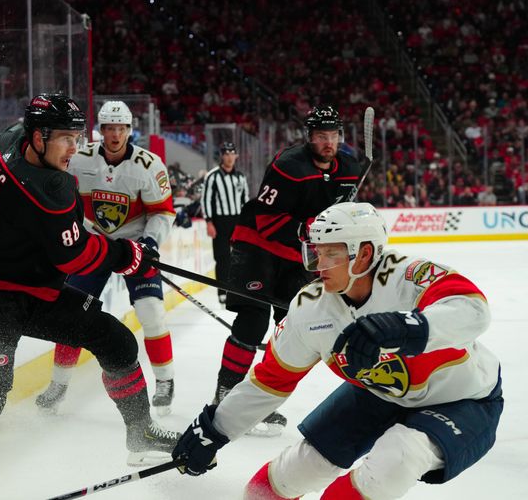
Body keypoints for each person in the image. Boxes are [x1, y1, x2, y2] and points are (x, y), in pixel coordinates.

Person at [0, 94, 180, 500]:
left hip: (28, 289)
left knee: (116, 340)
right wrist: (126, 255)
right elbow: (73, 256)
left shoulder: (11, 139)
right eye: (65, 139)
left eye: (77, 137)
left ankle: (139, 430)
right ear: (39, 137)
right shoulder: (47, 188)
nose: (74, 149)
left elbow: (46, 229)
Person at [172, 202, 504, 500]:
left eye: (332, 253)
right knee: (292, 474)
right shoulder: (310, 310)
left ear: (364, 254)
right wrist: (215, 430)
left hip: (463, 399)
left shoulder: (409, 277)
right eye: (316, 252)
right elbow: (270, 381)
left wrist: (408, 327)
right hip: (378, 394)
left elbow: (473, 309)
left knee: (397, 458)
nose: (319, 265)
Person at [212, 105, 364, 435]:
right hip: (256, 246)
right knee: (252, 323)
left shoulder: (349, 168)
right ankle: (225, 395)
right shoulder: (289, 165)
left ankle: (257, 401)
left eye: (334, 136)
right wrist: (315, 228)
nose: (328, 142)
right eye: (321, 136)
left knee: (293, 326)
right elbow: (267, 220)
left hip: (295, 256)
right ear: (309, 137)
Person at [34, 100, 178, 416]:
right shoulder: (79, 158)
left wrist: (151, 243)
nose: (114, 134)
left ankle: (165, 380)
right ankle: (58, 386)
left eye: (121, 128)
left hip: (135, 248)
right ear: (100, 129)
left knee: (152, 311)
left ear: (130, 129)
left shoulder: (150, 165)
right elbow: (56, 192)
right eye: (109, 128)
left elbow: (163, 212)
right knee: (72, 317)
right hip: (94, 245)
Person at [201, 141, 249, 304]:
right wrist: (209, 222)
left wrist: (246, 222)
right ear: (221, 156)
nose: (229, 157)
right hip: (220, 222)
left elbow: (245, 200)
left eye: (232, 153)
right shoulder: (213, 176)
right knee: (222, 257)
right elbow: (206, 199)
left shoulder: (241, 177)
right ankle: (222, 291)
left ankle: (238, 289)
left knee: (240, 256)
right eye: (226, 154)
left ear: (236, 156)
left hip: (237, 220)